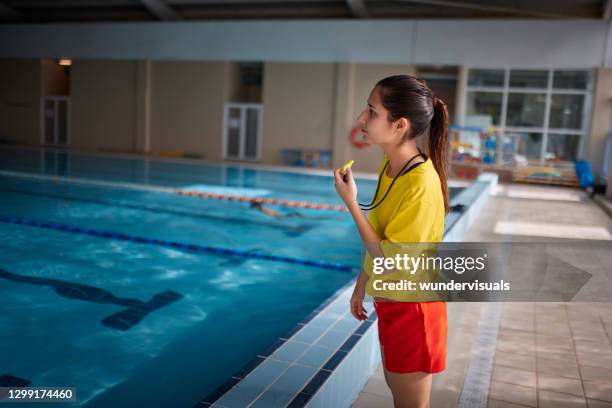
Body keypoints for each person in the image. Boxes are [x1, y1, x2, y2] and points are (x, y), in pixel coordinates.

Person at [333, 75, 450, 408]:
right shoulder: (392, 165)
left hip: (414, 312)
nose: (361, 119)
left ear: (399, 125)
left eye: (371, 111)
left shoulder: (421, 186)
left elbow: (388, 256)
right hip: (393, 303)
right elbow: (382, 232)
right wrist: (362, 284)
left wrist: (351, 203)